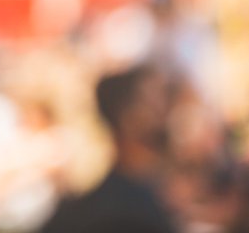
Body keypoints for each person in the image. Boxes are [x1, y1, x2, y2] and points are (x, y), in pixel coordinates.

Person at [38, 63, 177, 233]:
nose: (167, 111)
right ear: (129, 119)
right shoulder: (121, 210)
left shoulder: (158, 191)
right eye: (156, 102)